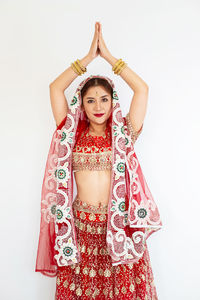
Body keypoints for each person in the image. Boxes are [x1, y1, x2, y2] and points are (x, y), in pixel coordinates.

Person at [35, 22, 162, 299]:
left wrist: (109, 57)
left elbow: (142, 89)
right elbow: (55, 88)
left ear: (112, 102)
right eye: (90, 101)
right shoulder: (71, 134)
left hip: (117, 230)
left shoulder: (123, 134)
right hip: (80, 231)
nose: (98, 107)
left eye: (104, 99)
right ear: (81, 104)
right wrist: (88, 59)